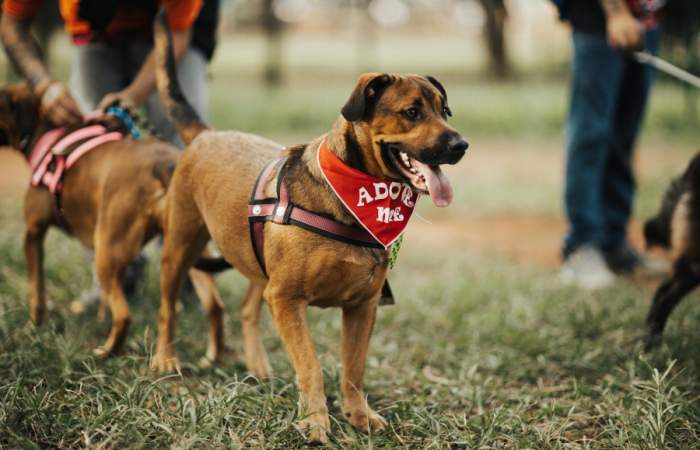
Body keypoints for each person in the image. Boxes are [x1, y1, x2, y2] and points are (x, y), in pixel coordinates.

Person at [1, 0, 220, 308]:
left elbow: (177, 36)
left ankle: (188, 267)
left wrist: (132, 96)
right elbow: (12, 23)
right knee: (90, 150)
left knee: (180, 133)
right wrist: (43, 86)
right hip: (95, 34)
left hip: (177, 26)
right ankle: (113, 272)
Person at [557, 0, 665, 289]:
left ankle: (614, 244)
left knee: (623, 135)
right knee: (591, 135)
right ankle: (583, 246)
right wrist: (616, 12)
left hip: (647, 20)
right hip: (600, 21)